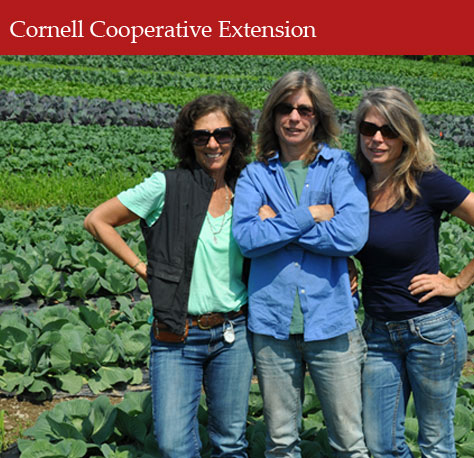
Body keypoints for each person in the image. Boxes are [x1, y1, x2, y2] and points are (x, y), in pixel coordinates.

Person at [353, 86, 474, 457]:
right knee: (380, 444)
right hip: (377, 331)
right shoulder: (353, 183)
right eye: (368, 128)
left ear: (407, 134)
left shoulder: (426, 181)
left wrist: (458, 282)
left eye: (389, 130)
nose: (377, 138)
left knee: (434, 442)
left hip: (429, 331)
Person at [84, 93, 254, 457]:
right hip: (177, 332)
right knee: (175, 445)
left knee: (231, 442)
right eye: (201, 136)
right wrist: (142, 268)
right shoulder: (167, 185)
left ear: (235, 138)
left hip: (233, 333)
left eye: (222, 134)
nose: (212, 143)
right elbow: (97, 220)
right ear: (187, 141)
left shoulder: (249, 188)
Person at [231, 70, 370, 457]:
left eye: (304, 110)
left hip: (330, 320)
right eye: (285, 108)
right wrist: (310, 213)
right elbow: (246, 239)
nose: (294, 118)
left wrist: (275, 223)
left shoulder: (341, 167)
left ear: (318, 117)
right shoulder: (254, 174)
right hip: (273, 326)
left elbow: (351, 236)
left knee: (349, 440)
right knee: (280, 440)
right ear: (273, 116)